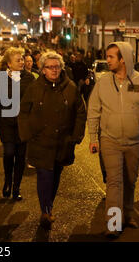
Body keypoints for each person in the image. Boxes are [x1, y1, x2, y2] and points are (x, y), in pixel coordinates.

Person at [88, 42, 139, 239]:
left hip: (135, 141)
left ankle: (127, 214)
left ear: (123, 59)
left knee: (130, 181)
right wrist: (93, 138)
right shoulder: (102, 83)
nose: (107, 60)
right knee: (114, 182)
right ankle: (113, 223)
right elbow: (93, 110)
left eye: (111, 57)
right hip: (109, 140)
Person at [18, 51, 86, 230]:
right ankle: (45, 211)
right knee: (44, 175)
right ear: (42, 70)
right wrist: (26, 134)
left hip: (62, 142)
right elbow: (23, 111)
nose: (54, 70)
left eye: (57, 67)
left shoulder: (70, 87)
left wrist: (75, 137)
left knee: (55, 176)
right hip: (40, 141)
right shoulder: (34, 87)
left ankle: (48, 206)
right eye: (50, 67)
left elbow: (80, 112)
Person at [0, 48, 34, 201]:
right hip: (6, 123)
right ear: (9, 63)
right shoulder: (0, 79)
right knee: (9, 153)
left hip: (23, 125)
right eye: (18, 60)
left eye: (22, 59)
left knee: (21, 157)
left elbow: (34, 102)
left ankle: (16, 187)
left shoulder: (29, 78)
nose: (22, 62)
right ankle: (7, 181)